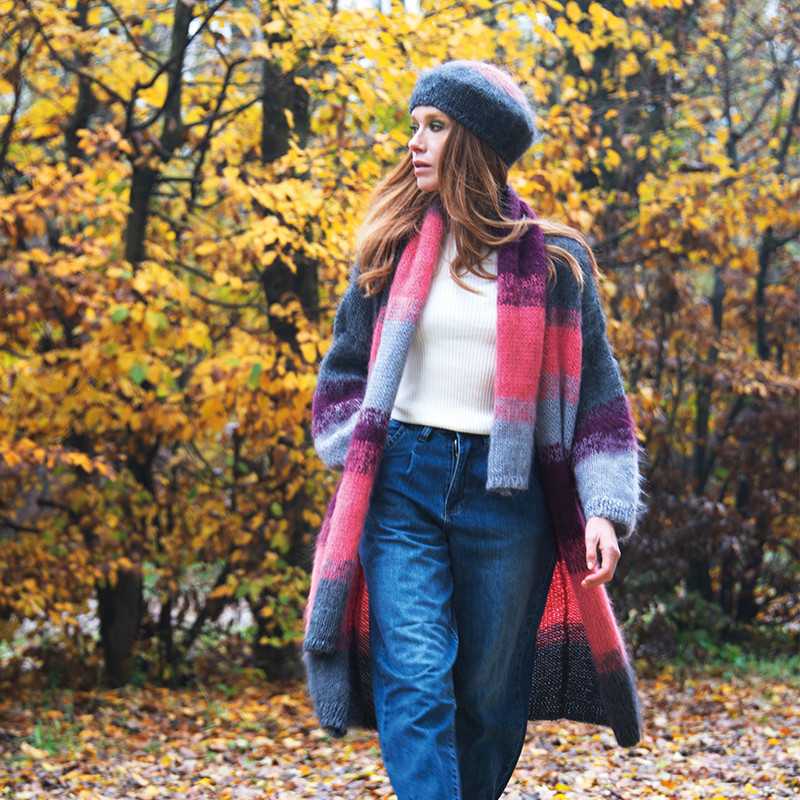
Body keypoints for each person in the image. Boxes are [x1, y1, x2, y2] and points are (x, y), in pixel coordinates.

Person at [304, 59, 646, 800]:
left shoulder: (557, 264)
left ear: (476, 144)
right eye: (415, 127)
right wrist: (354, 446)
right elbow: (344, 369)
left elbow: (599, 399)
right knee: (415, 675)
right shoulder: (391, 246)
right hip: (403, 482)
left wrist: (605, 510)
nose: (415, 143)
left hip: (510, 492)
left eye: (435, 127)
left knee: (489, 697)